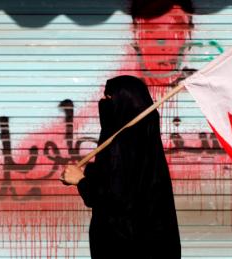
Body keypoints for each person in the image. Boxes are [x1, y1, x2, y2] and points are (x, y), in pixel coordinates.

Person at [60, 75, 181, 258]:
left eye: (108, 97)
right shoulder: (145, 136)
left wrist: (81, 180)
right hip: (152, 242)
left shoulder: (123, 142)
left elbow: (116, 197)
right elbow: (128, 184)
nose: (103, 102)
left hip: (125, 243)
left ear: (123, 102)